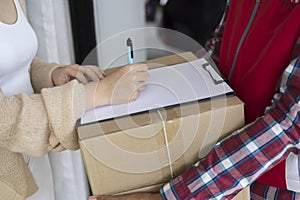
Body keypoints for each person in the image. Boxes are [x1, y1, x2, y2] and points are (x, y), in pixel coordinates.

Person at [89, 0, 300, 199]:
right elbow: (217, 49)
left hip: (272, 184)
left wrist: (182, 195)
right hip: (216, 164)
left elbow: (288, 123)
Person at [0, 0, 149, 199]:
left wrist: (51, 74)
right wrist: (99, 93)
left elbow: (14, 62)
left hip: (30, 158)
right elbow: (4, 118)